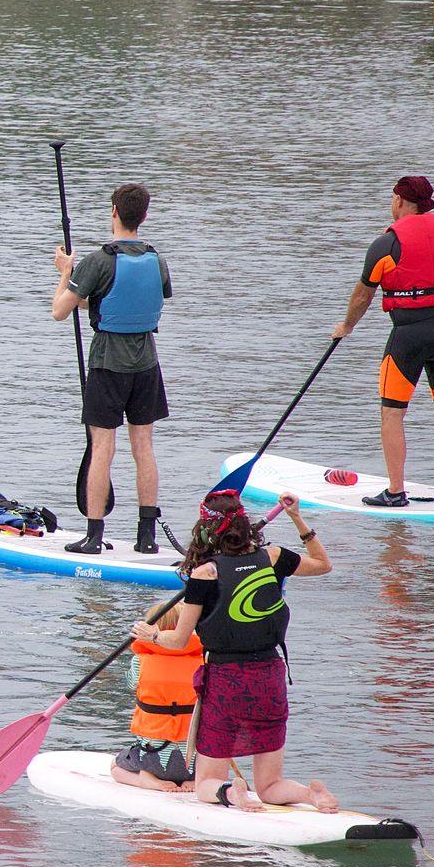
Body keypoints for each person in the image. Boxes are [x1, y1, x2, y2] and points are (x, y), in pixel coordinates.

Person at [131, 490, 338, 813]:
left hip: (226, 682)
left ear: (206, 531)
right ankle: (310, 795)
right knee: (270, 785)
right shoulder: (272, 556)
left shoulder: (204, 574)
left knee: (205, 783)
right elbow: (323, 565)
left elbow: (180, 640)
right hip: (271, 676)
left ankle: (231, 792)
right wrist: (297, 517)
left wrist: (152, 634)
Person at [330, 176, 434, 505]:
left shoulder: (387, 244)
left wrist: (347, 326)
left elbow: (363, 294)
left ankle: (396, 492)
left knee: (393, 412)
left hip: (409, 335)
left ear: (399, 200)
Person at [51, 183, 174, 556]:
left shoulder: (98, 261)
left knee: (102, 448)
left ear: (114, 212)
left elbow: (60, 310)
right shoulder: (157, 260)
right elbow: (125, 300)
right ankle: (146, 537)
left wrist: (65, 272)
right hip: (147, 365)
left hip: (107, 365)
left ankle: (93, 536)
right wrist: (88, 292)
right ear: (145, 216)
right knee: (144, 448)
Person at [110, 599, 203, 793]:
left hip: (153, 759)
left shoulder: (141, 660)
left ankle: (146, 779)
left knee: (115, 767)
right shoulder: (204, 661)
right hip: (195, 764)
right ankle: (195, 781)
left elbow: (131, 683)